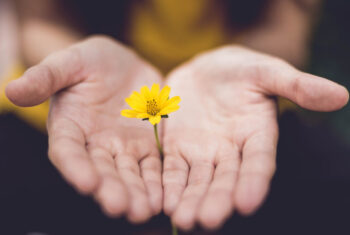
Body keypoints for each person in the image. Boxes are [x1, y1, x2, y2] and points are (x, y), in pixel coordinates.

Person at [2, 0, 349, 231]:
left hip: (236, 112)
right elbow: (39, 18)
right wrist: (70, 62)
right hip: (84, 111)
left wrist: (246, 61)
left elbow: (287, 24)